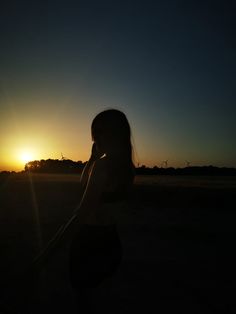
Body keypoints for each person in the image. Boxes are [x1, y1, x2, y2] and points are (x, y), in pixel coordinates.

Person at [69, 109, 135, 312]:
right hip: (112, 242)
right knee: (102, 298)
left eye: (98, 132)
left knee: (85, 299)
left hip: (90, 242)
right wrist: (91, 159)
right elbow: (86, 185)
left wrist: (64, 236)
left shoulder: (102, 166)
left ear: (112, 133)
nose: (95, 138)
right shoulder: (128, 167)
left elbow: (83, 207)